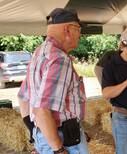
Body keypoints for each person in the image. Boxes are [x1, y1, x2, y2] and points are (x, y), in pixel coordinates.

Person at [18, 8, 89, 154]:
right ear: (67, 29)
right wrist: (58, 148)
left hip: (52, 135)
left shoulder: (39, 52)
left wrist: (36, 132)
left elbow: (23, 97)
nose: (80, 35)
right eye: (78, 29)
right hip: (61, 138)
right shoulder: (59, 59)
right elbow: (42, 110)